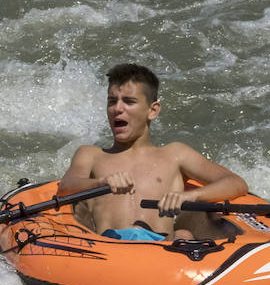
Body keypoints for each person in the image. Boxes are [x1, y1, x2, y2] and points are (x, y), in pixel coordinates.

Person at [56, 63, 248, 242]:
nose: (117, 109)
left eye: (129, 102)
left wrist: (190, 196)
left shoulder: (175, 154)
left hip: (161, 249)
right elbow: (65, 187)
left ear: (153, 110)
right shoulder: (91, 155)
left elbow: (235, 183)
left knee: (183, 235)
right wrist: (100, 182)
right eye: (112, 101)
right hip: (110, 247)